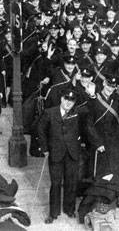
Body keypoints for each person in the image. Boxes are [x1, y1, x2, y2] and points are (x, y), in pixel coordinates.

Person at [86, 74, 119, 208]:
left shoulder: (116, 98)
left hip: (115, 141)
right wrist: (97, 143)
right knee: (101, 172)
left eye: (113, 87)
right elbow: (89, 125)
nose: (110, 89)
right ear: (103, 84)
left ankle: (115, 196)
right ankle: (99, 199)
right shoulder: (94, 98)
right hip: (100, 141)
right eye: (108, 85)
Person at [38, 88, 83, 223]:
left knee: (71, 182)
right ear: (61, 99)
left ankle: (69, 209)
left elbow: (83, 129)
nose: (69, 102)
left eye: (72, 100)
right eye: (66, 99)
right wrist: (45, 148)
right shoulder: (49, 113)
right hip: (55, 153)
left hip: (72, 154)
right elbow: (40, 130)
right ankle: (53, 213)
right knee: (55, 183)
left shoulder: (78, 113)